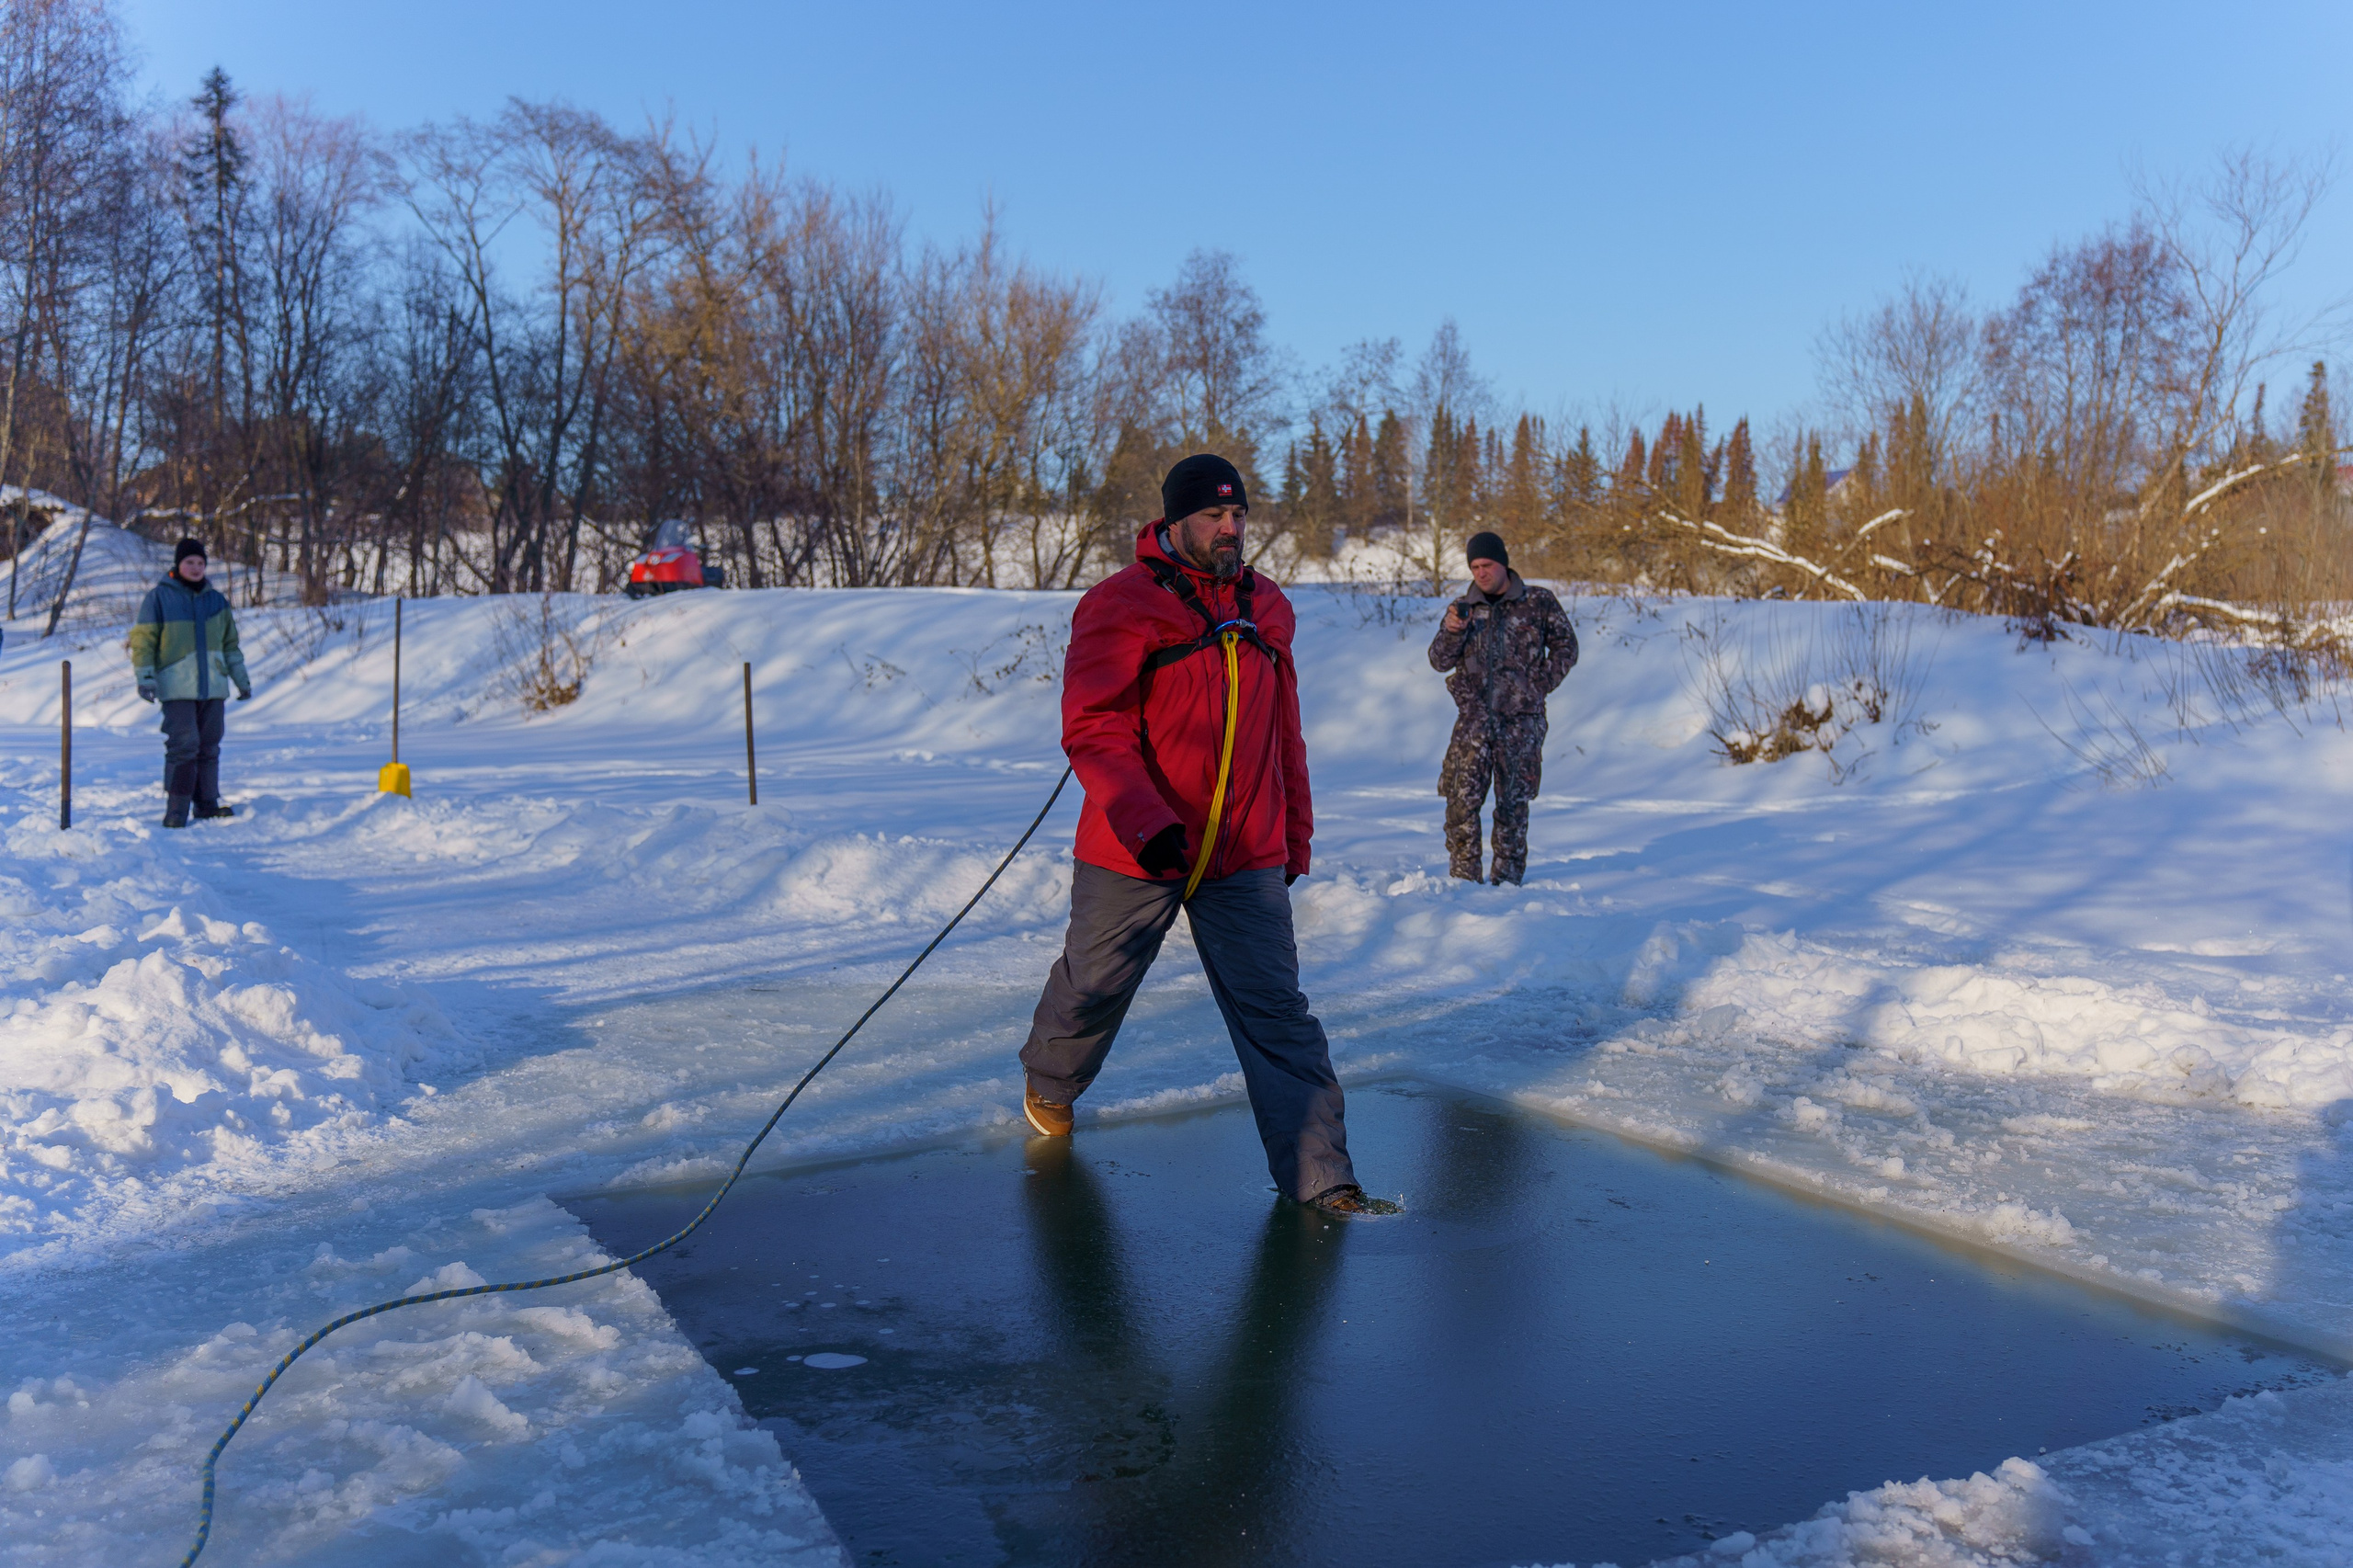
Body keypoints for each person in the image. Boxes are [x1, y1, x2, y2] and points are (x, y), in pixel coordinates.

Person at [1018, 453, 1395, 1217]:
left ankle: (1325, 1180)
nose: (1231, 529)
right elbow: (1094, 728)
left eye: (1239, 515)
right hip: (1139, 846)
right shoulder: (1119, 603)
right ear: (1175, 520)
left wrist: (1294, 834)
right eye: (1214, 516)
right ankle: (1051, 1087)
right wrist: (1146, 822)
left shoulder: (1269, 607)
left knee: (1279, 1016)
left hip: (1244, 852)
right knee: (1093, 987)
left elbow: (1283, 730)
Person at [1427, 530, 1577, 885]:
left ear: (1503, 563)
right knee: (1460, 803)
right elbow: (1437, 661)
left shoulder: (1538, 602)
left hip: (1521, 725)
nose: (1481, 572)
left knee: (1512, 806)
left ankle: (1506, 887)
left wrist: (1536, 687)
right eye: (1474, 566)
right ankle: (1464, 884)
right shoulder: (1464, 607)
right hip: (1473, 723)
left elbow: (1566, 648)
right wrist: (1452, 630)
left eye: (1487, 564)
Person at [129, 538, 252, 828]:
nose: (196, 568)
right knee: (184, 744)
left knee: (209, 746)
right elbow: (143, 641)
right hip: (176, 687)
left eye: (200, 563)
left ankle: (207, 805)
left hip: (213, 687)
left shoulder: (217, 601)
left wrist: (241, 681)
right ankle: (177, 810)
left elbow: (231, 645)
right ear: (178, 564)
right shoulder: (159, 598)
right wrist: (145, 677)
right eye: (190, 562)